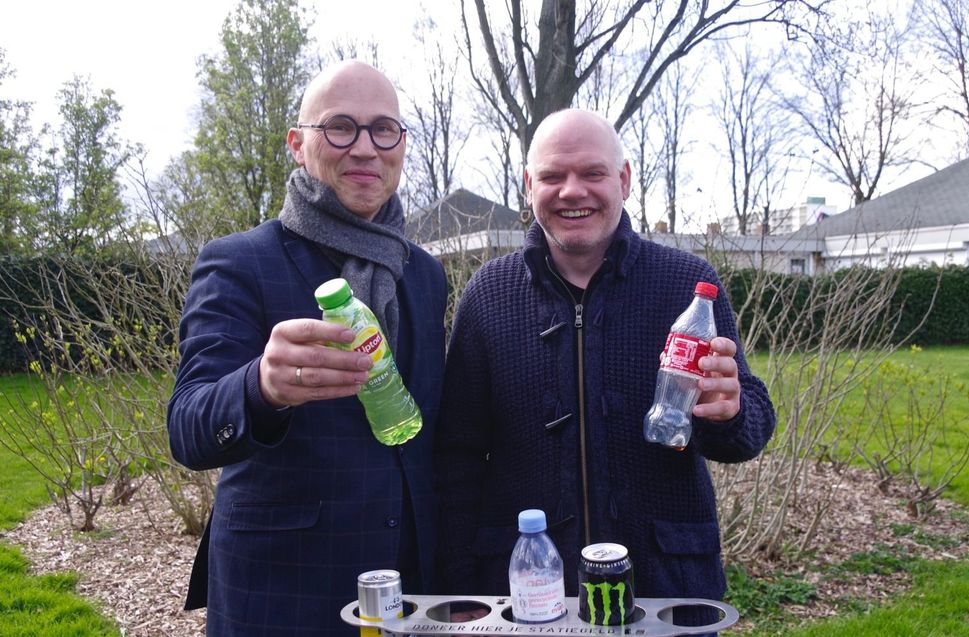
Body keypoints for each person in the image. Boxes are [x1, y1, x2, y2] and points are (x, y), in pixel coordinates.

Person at [435, 109, 775, 634]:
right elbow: (455, 457)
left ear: (624, 179)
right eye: (552, 176)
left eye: (593, 173)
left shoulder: (688, 285)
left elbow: (745, 433)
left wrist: (729, 411)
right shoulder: (488, 295)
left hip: (667, 590)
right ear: (529, 185)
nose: (573, 191)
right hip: (529, 595)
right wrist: (460, 591)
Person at [167, 61, 447, 636]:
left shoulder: (424, 274)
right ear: (298, 144)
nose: (366, 148)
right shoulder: (239, 261)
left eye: (383, 130)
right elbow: (188, 426)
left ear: (401, 145)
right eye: (340, 127)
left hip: (413, 582)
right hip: (284, 590)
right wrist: (261, 386)